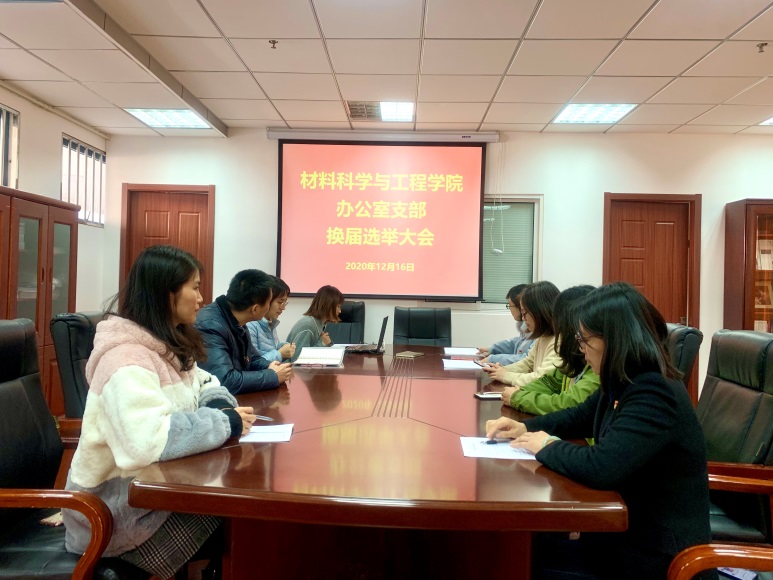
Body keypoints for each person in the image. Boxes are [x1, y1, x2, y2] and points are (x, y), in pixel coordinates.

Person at [486, 282, 713, 580]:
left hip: (656, 556)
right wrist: (524, 426)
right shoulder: (624, 378)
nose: (580, 349)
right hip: (619, 537)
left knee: (518, 563)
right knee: (521, 551)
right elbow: (579, 416)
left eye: (585, 340)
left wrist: (547, 445)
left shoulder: (654, 392)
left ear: (615, 339)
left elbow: (602, 465)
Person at [62, 245, 258, 578]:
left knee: (241, 515)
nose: (201, 298)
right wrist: (224, 421)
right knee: (243, 518)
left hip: (150, 499)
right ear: (166, 293)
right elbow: (146, 441)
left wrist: (218, 405)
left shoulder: (166, 344)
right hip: (116, 517)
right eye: (195, 287)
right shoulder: (125, 359)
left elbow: (206, 382)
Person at [506, 285, 600, 415]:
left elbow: (570, 403)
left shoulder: (597, 364)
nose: (523, 317)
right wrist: (521, 392)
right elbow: (549, 382)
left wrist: (519, 397)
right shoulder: (573, 356)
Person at [196, 269, 293, 394]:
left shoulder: (237, 318)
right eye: (269, 302)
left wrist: (269, 366)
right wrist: (273, 376)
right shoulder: (210, 326)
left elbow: (253, 358)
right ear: (255, 309)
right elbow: (224, 381)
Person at [482, 281, 561, 398]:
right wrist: (502, 370)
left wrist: (506, 375)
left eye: (524, 313)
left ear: (539, 312)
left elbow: (541, 379)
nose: (523, 319)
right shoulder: (543, 336)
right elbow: (527, 363)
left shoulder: (559, 341)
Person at [477, 283, 534, 365]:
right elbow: (516, 344)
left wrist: (493, 359)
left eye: (510, 305)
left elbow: (526, 360)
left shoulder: (538, 332)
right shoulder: (527, 326)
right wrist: (492, 349)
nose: (510, 309)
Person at [286, 285, 344, 362]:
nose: (340, 311)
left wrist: (327, 344)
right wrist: (322, 343)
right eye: (338, 307)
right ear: (328, 305)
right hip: (292, 369)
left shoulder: (320, 323)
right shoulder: (308, 325)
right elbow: (297, 358)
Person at [247, 276, 296, 362]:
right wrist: (280, 353)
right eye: (280, 302)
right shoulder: (249, 326)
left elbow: (270, 350)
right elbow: (253, 364)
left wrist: (282, 347)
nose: (283, 308)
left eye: (285, 303)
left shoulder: (270, 321)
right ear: (266, 300)